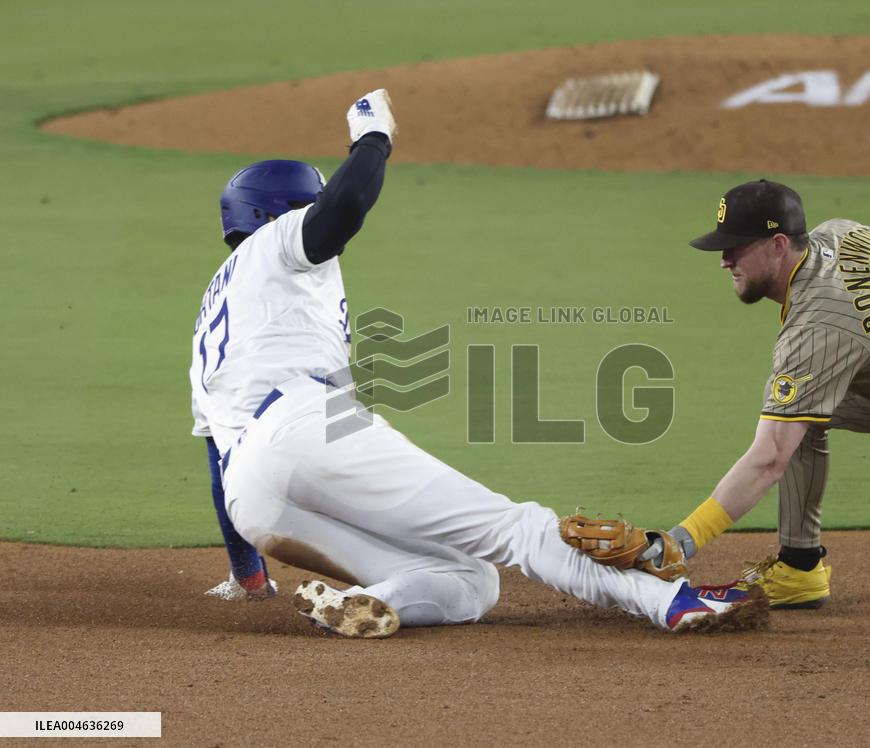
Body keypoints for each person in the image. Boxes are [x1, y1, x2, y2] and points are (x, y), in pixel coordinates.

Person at [189, 89, 766, 637]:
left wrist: (249, 573)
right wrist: (372, 137)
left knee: (472, 581)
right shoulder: (276, 243)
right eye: (305, 204)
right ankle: (669, 601)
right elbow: (341, 209)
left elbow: (216, 463)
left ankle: (375, 601)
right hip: (306, 427)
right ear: (279, 212)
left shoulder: (215, 314)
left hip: (255, 502)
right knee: (513, 529)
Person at [656, 178, 870, 609]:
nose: (725, 261)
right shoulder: (840, 231)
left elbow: (767, 461)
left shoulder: (818, 330)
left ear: (779, 244)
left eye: (736, 247)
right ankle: (800, 568)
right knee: (792, 411)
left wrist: (682, 540)